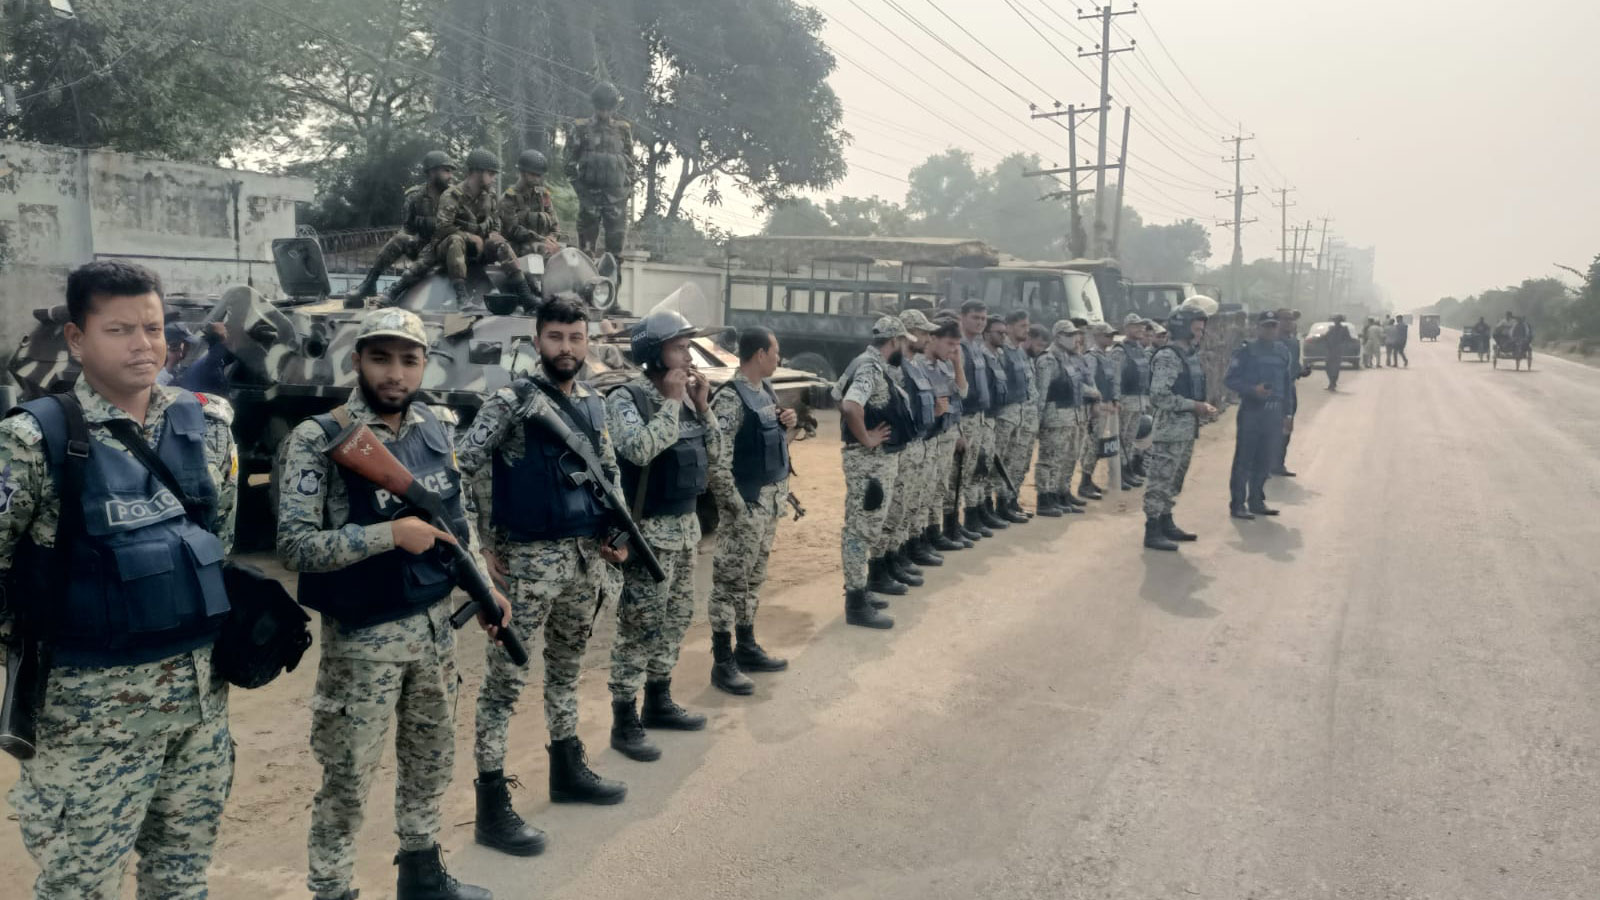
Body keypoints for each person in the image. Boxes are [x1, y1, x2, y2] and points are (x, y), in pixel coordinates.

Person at [0, 261, 239, 900]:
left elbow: (221, 549)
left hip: (197, 710)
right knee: (79, 887)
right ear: (77, 339)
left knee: (182, 879)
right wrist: (30, 646)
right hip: (89, 725)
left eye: (154, 328)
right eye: (120, 329)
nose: (143, 344)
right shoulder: (31, 440)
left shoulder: (207, 427)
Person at [278, 308, 509, 899]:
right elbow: (295, 547)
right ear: (356, 361)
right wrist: (388, 535)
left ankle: (423, 875)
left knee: (430, 762)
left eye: (409, 359)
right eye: (380, 357)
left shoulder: (437, 426)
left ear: (424, 365)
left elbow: (459, 522)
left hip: (435, 630)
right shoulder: (320, 437)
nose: (395, 373)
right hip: (364, 645)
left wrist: (484, 587)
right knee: (348, 781)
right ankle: (331, 889)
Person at [458, 296, 633, 832]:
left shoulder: (594, 403)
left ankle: (567, 768)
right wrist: (480, 548)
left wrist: (618, 532)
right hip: (526, 567)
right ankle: (491, 803)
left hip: (584, 562)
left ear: (588, 342)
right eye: (556, 337)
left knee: (566, 671)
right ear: (537, 341)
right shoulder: (510, 402)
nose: (566, 348)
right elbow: (460, 467)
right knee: (505, 685)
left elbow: (608, 472)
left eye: (576, 337)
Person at [604, 310, 724, 762]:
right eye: (679, 347)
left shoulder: (687, 397)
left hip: (685, 529)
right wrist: (673, 402)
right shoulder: (626, 398)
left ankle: (658, 699)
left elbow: (717, 455)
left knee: (675, 618)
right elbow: (638, 449)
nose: (687, 355)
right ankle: (624, 717)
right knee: (638, 627)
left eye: (688, 346)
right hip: (647, 534)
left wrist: (702, 405)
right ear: (653, 354)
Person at [706, 327, 798, 696]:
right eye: (776, 352)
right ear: (760, 354)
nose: (779, 358)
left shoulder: (765, 392)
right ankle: (722, 661)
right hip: (747, 507)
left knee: (752, 581)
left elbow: (773, 446)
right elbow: (717, 464)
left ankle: (746, 646)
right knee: (728, 586)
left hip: (768, 504)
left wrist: (787, 425)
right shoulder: (730, 399)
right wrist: (738, 510)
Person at [836, 316, 913, 629]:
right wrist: (866, 437)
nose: (906, 349)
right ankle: (855, 602)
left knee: (865, 526)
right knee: (860, 529)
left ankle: (861, 590)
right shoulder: (870, 366)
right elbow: (850, 405)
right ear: (894, 341)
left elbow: (835, 392)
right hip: (869, 463)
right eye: (904, 343)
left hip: (872, 463)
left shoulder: (864, 362)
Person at [384, 149, 534, 308]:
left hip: (477, 250)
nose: (493, 178)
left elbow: (496, 222)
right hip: (447, 248)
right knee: (455, 240)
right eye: (490, 174)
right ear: (476, 172)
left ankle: (526, 296)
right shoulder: (452, 196)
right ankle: (462, 297)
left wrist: (494, 234)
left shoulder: (490, 196)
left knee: (502, 245)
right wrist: (471, 237)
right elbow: (443, 228)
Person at [868, 309, 941, 596]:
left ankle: (893, 559)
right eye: (922, 332)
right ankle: (879, 568)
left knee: (903, 509)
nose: (926, 337)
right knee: (890, 512)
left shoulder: (913, 365)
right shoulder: (895, 369)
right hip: (898, 449)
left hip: (914, 446)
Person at [1143, 299, 1218, 551]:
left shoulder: (1189, 357)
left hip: (1185, 430)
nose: (1201, 334)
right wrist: (1193, 406)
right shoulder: (1168, 357)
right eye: (1197, 329)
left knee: (1174, 480)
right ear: (1184, 329)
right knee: (1160, 481)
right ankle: (1152, 529)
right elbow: (1159, 395)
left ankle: (1166, 521)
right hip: (1169, 431)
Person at [349, 151, 457, 301]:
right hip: (422, 246)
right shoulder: (415, 196)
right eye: (446, 171)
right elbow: (407, 227)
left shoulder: (455, 197)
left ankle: (394, 292)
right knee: (399, 239)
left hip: (445, 250)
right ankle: (369, 283)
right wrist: (404, 239)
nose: (450, 176)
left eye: (450, 171)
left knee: (431, 253)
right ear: (432, 172)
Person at [1224, 312, 1292, 519]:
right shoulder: (1246, 351)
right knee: (1244, 459)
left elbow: (1287, 385)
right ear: (1258, 328)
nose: (1270, 330)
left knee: (1265, 459)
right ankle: (1237, 504)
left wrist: (1288, 413)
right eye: (1266, 326)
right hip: (1252, 411)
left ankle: (1256, 500)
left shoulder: (1282, 351)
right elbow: (1230, 380)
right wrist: (1253, 389)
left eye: (1273, 326)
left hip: (1275, 412)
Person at [566, 82, 636, 259]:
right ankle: (587, 286)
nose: (604, 113)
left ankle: (613, 286)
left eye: (608, 108)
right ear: (595, 106)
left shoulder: (623, 129)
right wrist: (582, 192)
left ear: (613, 107)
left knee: (615, 255)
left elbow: (630, 163)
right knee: (586, 253)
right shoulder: (581, 128)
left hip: (616, 198)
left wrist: (626, 190)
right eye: (601, 108)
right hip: (589, 197)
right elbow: (568, 164)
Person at [1033, 320, 1086, 517]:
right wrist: (1037, 422)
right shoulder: (1048, 360)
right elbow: (1041, 393)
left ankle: (1060, 493)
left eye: (1075, 335)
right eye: (1069, 335)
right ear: (1058, 337)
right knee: (1049, 460)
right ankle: (1045, 499)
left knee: (1066, 458)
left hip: (1069, 416)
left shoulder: (1067, 358)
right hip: (1053, 417)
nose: (1074, 339)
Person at [954, 300, 997, 538]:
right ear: (962, 317)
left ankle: (971, 518)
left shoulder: (976, 346)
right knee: (960, 475)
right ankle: (955, 525)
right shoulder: (958, 346)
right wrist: (957, 428)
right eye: (975, 318)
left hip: (979, 417)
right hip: (965, 417)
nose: (980, 322)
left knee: (975, 470)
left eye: (983, 319)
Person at [991, 310, 1035, 522]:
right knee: (1000, 462)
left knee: (1016, 462)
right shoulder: (1003, 353)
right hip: (1005, 415)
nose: (1026, 330)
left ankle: (1009, 501)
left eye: (1027, 326)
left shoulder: (1021, 352)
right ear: (1008, 327)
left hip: (1020, 414)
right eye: (1021, 326)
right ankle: (997, 506)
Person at [1112, 315, 1152, 490]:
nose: (1140, 330)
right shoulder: (1120, 350)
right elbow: (1115, 377)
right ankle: (1118, 474)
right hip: (1125, 400)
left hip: (1139, 399)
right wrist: (1115, 398)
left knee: (1130, 438)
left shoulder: (1140, 349)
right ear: (1127, 328)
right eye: (1136, 327)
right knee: (1121, 438)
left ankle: (1127, 470)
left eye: (1142, 327)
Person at [499, 149, 562, 259]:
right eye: (533, 174)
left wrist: (552, 238)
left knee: (568, 253)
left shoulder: (543, 194)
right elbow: (512, 229)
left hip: (543, 244)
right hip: (517, 246)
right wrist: (542, 240)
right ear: (522, 172)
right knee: (535, 250)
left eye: (539, 175)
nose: (537, 179)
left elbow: (554, 224)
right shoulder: (510, 196)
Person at [1273, 308, 1306, 478]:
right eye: (1285, 319)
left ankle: (1278, 463)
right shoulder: (1270, 341)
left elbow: (1294, 366)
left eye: (1291, 319)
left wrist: (1302, 370)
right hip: (1272, 390)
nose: (1289, 322)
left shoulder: (1293, 342)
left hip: (1289, 389)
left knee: (1287, 426)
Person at [1323, 314, 1352, 390]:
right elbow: (1325, 337)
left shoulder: (1344, 329)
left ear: (1340, 321)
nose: (1335, 321)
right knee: (1327, 367)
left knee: (1335, 368)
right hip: (1330, 350)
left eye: (1337, 320)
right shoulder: (1331, 329)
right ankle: (1331, 383)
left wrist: (1344, 346)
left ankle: (1332, 383)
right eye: (1334, 320)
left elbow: (1348, 339)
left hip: (1338, 350)